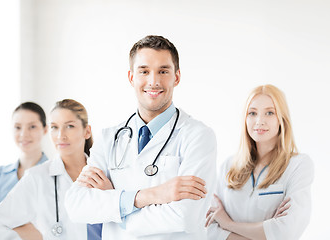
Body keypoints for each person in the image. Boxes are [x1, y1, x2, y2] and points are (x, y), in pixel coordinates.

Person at [65, 35, 217, 240]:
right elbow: (77, 206)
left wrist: (116, 208)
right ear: (131, 77)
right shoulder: (109, 138)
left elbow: (185, 217)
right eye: (144, 71)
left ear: (177, 77)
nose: (153, 81)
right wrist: (151, 195)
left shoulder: (198, 136)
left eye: (163, 71)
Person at [205, 84, 314, 240]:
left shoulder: (298, 165)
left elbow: (287, 231)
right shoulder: (228, 167)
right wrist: (268, 230)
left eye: (269, 113)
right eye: (252, 113)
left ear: (281, 119)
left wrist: (228, 224)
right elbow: (208, 228)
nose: (259, 121)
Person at [0, 99, 102, 240]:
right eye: (54, 127)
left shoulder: (104, 172)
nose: (60, 136)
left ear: (87, 131)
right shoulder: (37, 177)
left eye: (69, 126)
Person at [0, 102, 48, 233]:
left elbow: (45, 230)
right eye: (17, 127)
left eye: (32, 127)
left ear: (45, 129)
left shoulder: (55, 176)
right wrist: (23, 226)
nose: (24, 134)